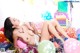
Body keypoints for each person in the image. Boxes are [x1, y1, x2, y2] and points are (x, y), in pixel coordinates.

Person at [4, 17, 69, 47]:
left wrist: (33, 27)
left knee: (54, 21)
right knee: (46, 22)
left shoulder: (24, 25)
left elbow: (36, 34)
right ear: (12, 26)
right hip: (40, 44)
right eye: (14, 20)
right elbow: (15, 45)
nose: (16, 18)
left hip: (41, 38)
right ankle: (59, 39)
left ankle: (67, 37)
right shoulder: (15, 33)